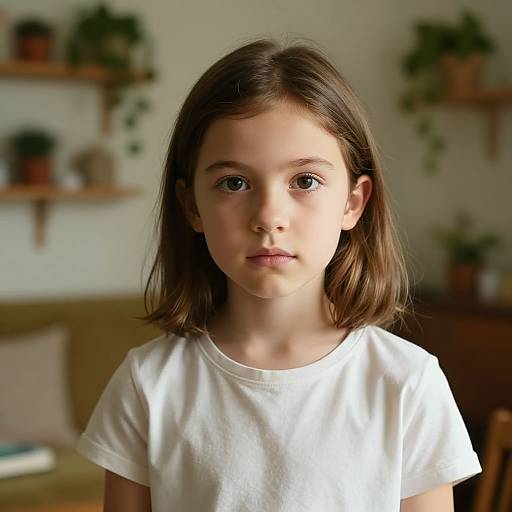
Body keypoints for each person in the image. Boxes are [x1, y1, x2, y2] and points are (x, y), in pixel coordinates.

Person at [76, 37, 482, 511]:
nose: (269, 216)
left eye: (304, 181)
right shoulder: (148, 385)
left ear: (353, 202)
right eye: (234, 183)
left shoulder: (406, 384)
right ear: (192, 206)